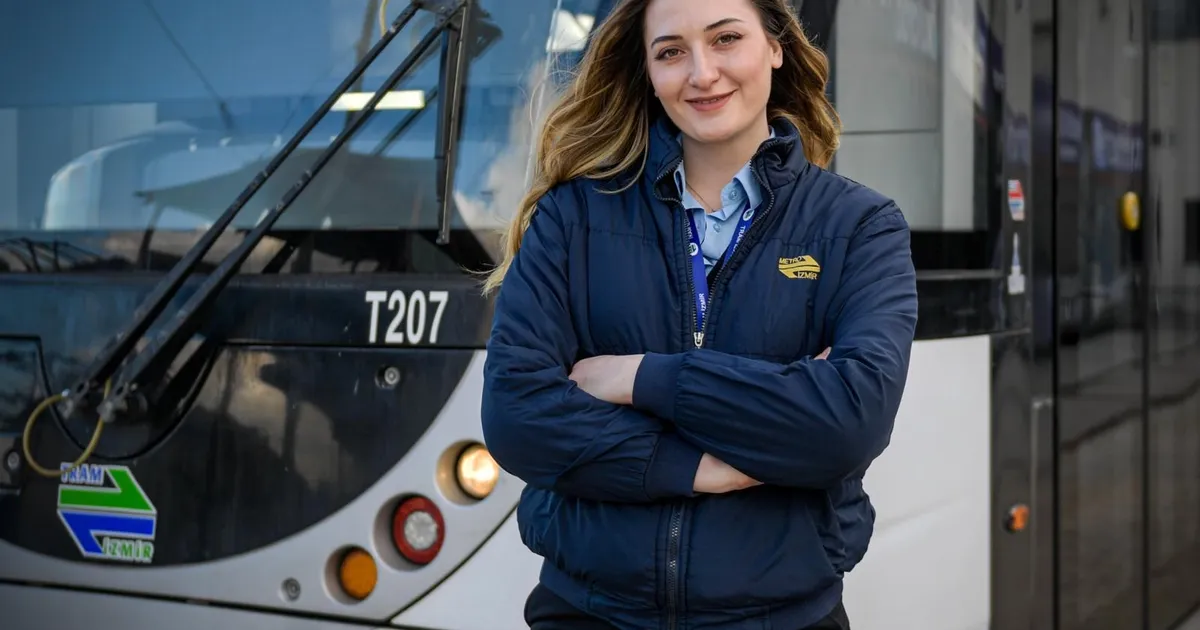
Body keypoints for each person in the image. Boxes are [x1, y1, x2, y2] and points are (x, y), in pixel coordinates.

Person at [480, 0, 917, 627]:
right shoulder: (571, 218)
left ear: (776, 46)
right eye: (671, 52)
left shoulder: (860, 227)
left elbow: (850, 420)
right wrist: (700, 468)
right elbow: (517, 415)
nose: (701, 73)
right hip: (589, 614)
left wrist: (642, 379)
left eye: (726, 39)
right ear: (649, 71)